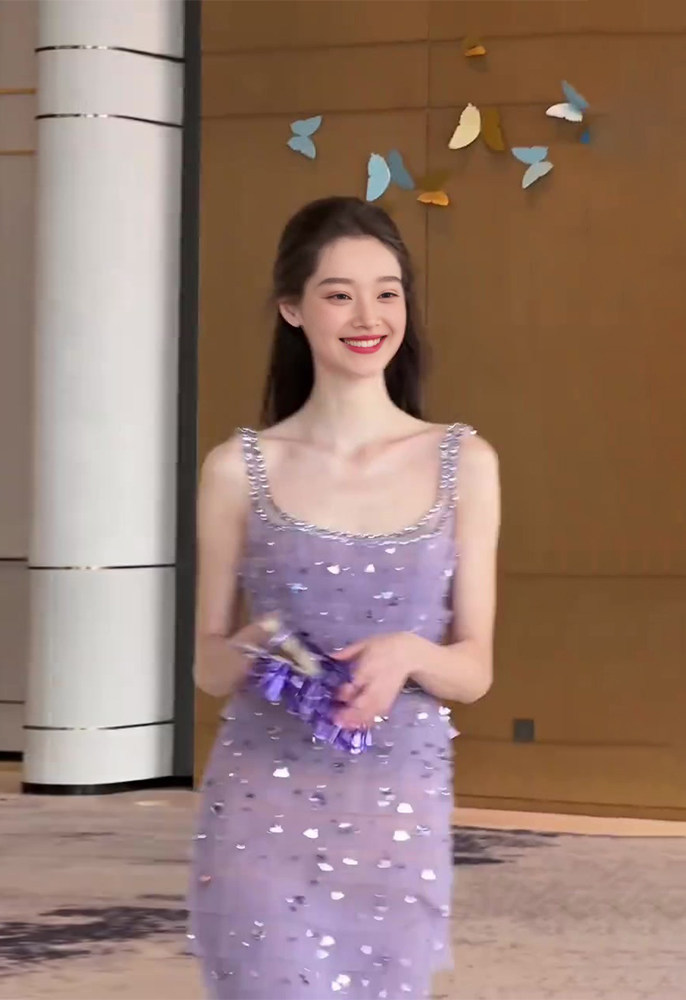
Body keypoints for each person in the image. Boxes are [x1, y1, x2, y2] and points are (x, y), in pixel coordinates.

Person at [188, 196, 501, 999]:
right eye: (339, 294)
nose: (368, 317)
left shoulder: (464, 463)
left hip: (398, 815)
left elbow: (474, 670)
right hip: (259, 809)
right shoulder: (237, 469)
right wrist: (260, 641)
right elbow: (208, 669)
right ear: (293, 308)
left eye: (387, 293)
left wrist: (409, 654)